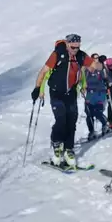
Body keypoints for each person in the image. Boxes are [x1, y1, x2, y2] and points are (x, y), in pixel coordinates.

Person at [31, 33, 96, 168]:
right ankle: (56, 144)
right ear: (67, 44)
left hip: (71, 93)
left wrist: (99, 67)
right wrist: (38, 89)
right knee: (61, 119)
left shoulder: (80, 56)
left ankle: (68, 149)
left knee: (72, 120)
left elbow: (86, 71)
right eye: (73, 47)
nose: (75, 50)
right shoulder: (57, 55)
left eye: (77, 47)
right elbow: (44, 73)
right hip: (56, 93)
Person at [79, 53, 110, 141]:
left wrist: (108, 83)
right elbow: (81, 79)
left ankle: (105, 124)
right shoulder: (86, 70)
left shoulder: (101, 68)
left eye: (97, 58)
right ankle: (91, 131)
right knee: (89, 113)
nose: (95, 60)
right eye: (94, 58)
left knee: (97, 111)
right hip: (89, 94)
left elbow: (107, 75)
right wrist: (82, 87)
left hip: (100, 93)